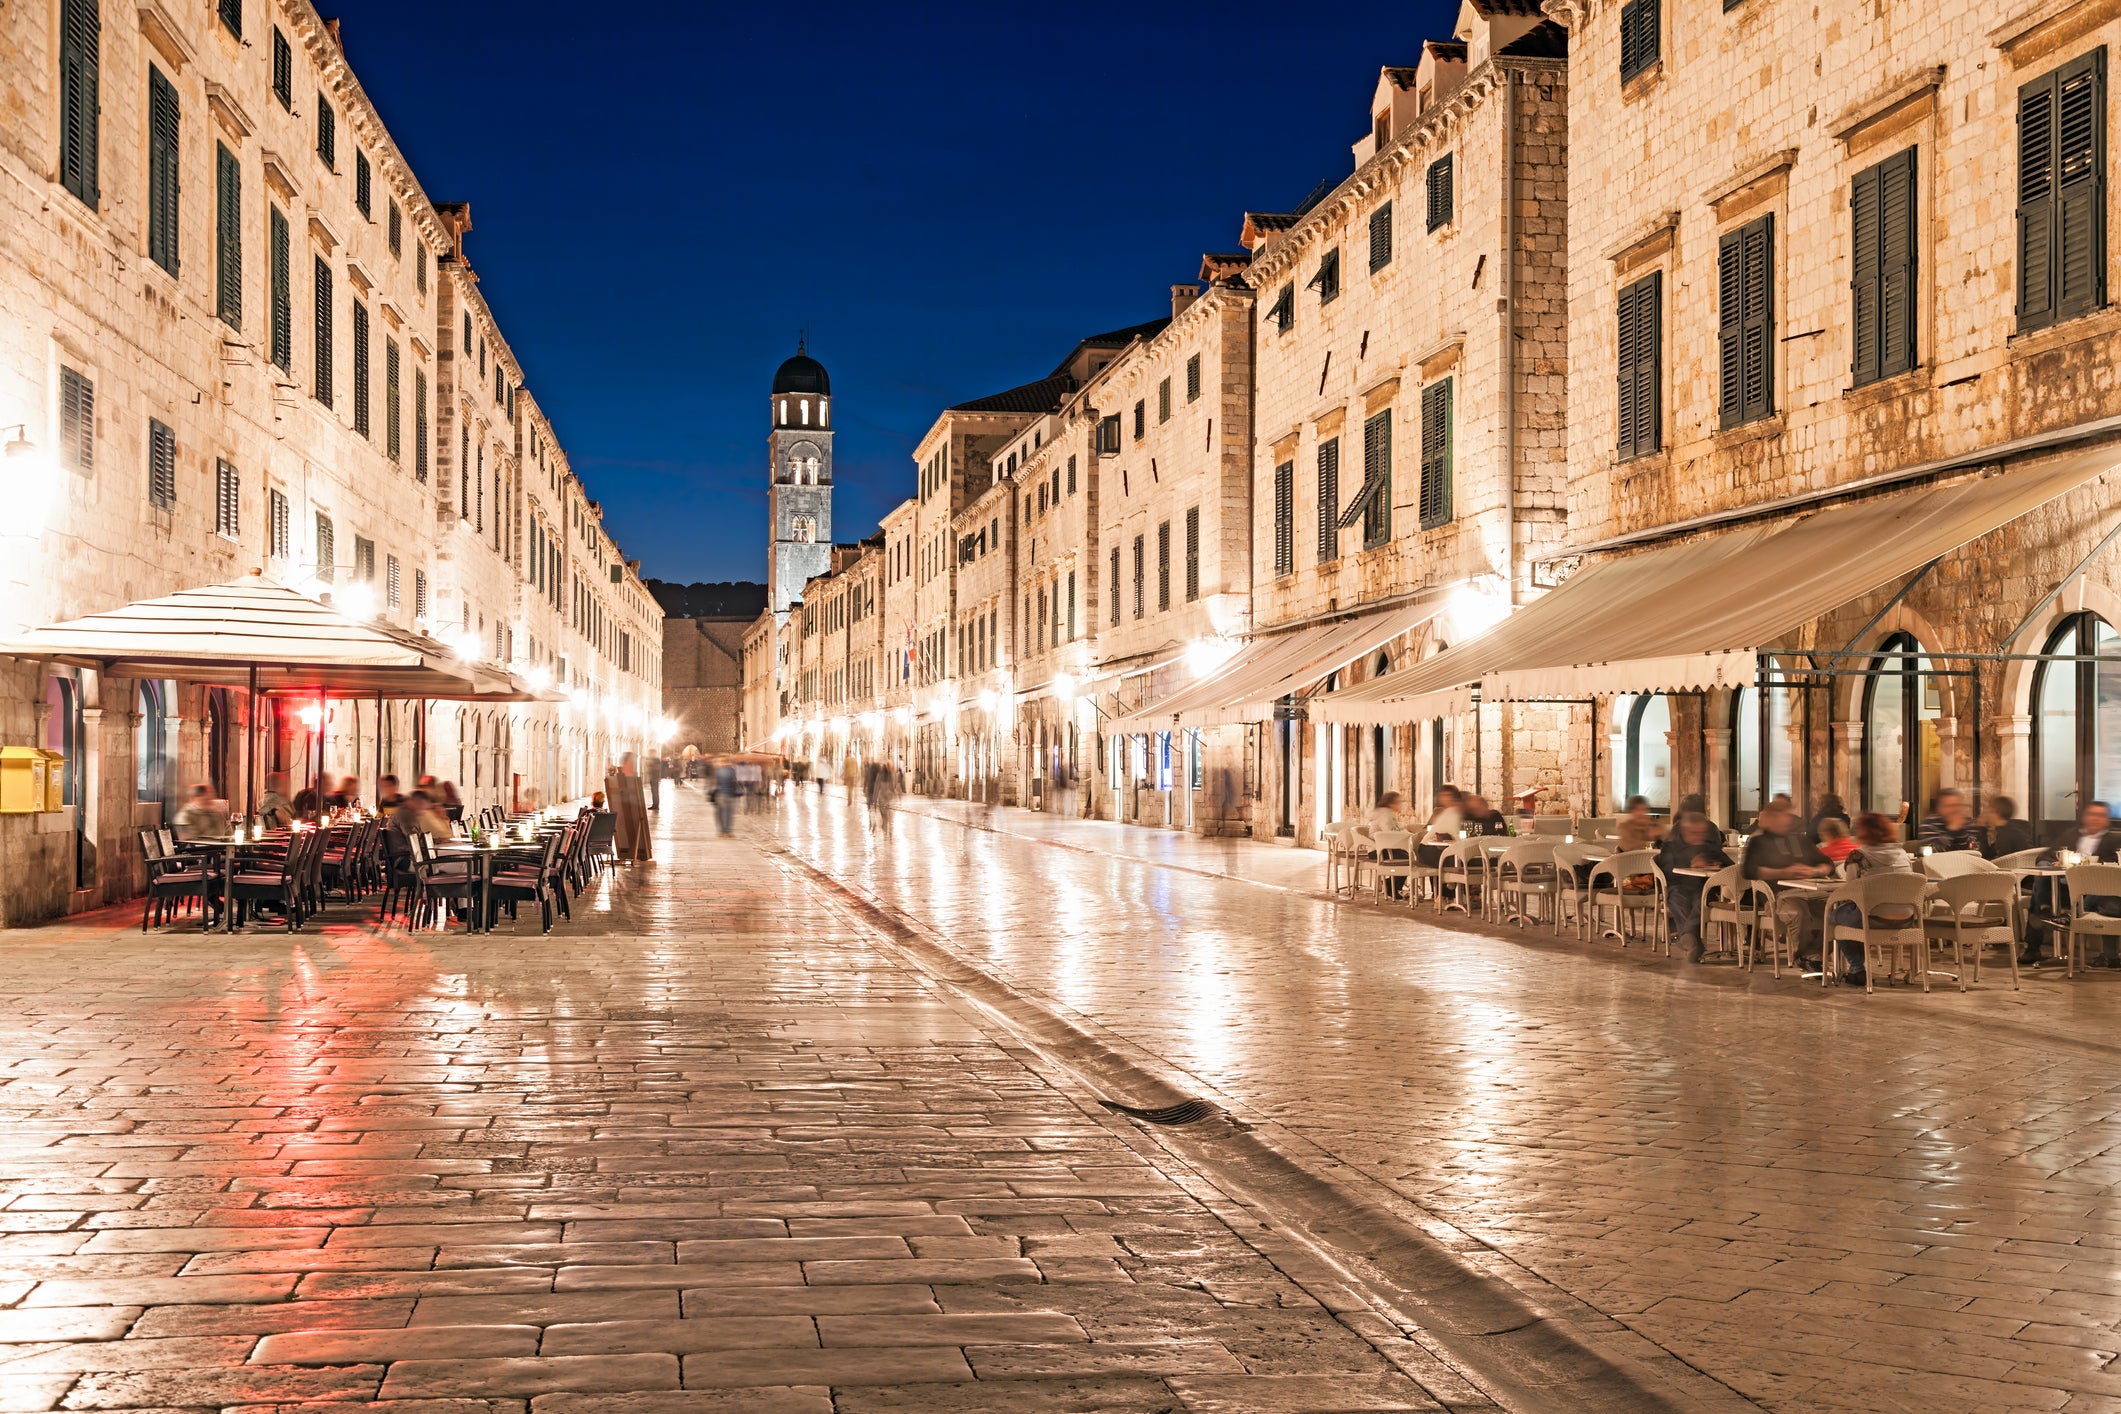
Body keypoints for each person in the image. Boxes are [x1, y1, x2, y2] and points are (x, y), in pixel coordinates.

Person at [1829, 813, 1919, 986]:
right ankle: (1857, 968)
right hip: (1906, 918)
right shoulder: (1903, 854)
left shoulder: (1858, 856)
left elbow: (1851, 890)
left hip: (1872, 918)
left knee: (1834, 917)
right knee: (1852, 916)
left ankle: (1856, 968)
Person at [1743, 799, 1830, 960]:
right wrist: (1784, 872)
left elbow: (1827, 864)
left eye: (1786, 816)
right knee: (1797, 912)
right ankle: (1808, 956)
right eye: (1779, 816)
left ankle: (1814, 952)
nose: (1784, 820)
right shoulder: (1759, 842)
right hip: (1778, 894)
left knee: (1837, 911)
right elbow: (1750, 871)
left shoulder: (1800, 840)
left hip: (1811, 891)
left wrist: (1813, 870)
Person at [1659, 812, 1732, 962]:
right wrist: (1690, 865)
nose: (1698, 836)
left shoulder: (1709, 846)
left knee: (1702, 902)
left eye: (1701, 833)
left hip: (1704, 887)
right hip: (1678, 886)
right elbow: (1667, 872)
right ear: (1684, 831)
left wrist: (1715, 865)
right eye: (1694, 833)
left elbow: (1730, 866)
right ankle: (1693, 942)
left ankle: (1687, 938)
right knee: (1679, 900)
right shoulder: (1670, 846)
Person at [1918, 788, 1983, 855]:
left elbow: (1975, 851)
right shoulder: (1928, 824)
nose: (1954, 810)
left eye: (1957, 805)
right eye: (1949, 806)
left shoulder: (1967, 823)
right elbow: (1931, 854)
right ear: (1939, 808)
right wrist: (1952, 829)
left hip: (1967, 864)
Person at [1414, 786, 1464, 868]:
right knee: (1463, 860)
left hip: (1428, 849)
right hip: (1430, 850)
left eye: (1448, 796)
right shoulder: (1450, 812)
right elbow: (1454, 834)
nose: (1444, 798)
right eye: (1443, 795)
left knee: (1461, 858)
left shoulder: (1450, 811)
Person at [1981, 795, 2035, 860]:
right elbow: (1989, 853)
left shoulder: (2005, 833)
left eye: (1989, 810)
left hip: (2018, 868)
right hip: (2024, 865)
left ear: (1995, 812)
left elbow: (2003, 860)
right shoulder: (2008, 829)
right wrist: (1983, 828)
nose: (1987, 814)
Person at [712, 756, 739, 837]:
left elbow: (716, 783)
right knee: (728, 814)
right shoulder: (732, 771)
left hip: (720, 794)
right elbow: (735, 782)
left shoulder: (718, 771)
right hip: (729, 795)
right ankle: (727, 832)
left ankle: (721, 831)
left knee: (719, 814)